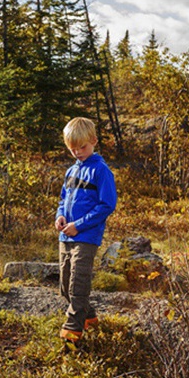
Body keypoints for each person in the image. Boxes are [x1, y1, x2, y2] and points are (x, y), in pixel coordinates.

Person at [54, 117, 117, 347]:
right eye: (73, 149)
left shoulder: (101, 171)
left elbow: (107, 205)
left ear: (93, 141)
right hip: (66, 236)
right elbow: (63, 200)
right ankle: (89, 316)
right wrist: (60, 216)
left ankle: (73, 328)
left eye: (82, 147)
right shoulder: (71, 171)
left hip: (86, 237)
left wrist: (79, 225)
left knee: (78, 283)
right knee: (65, 285)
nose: (78, 152)